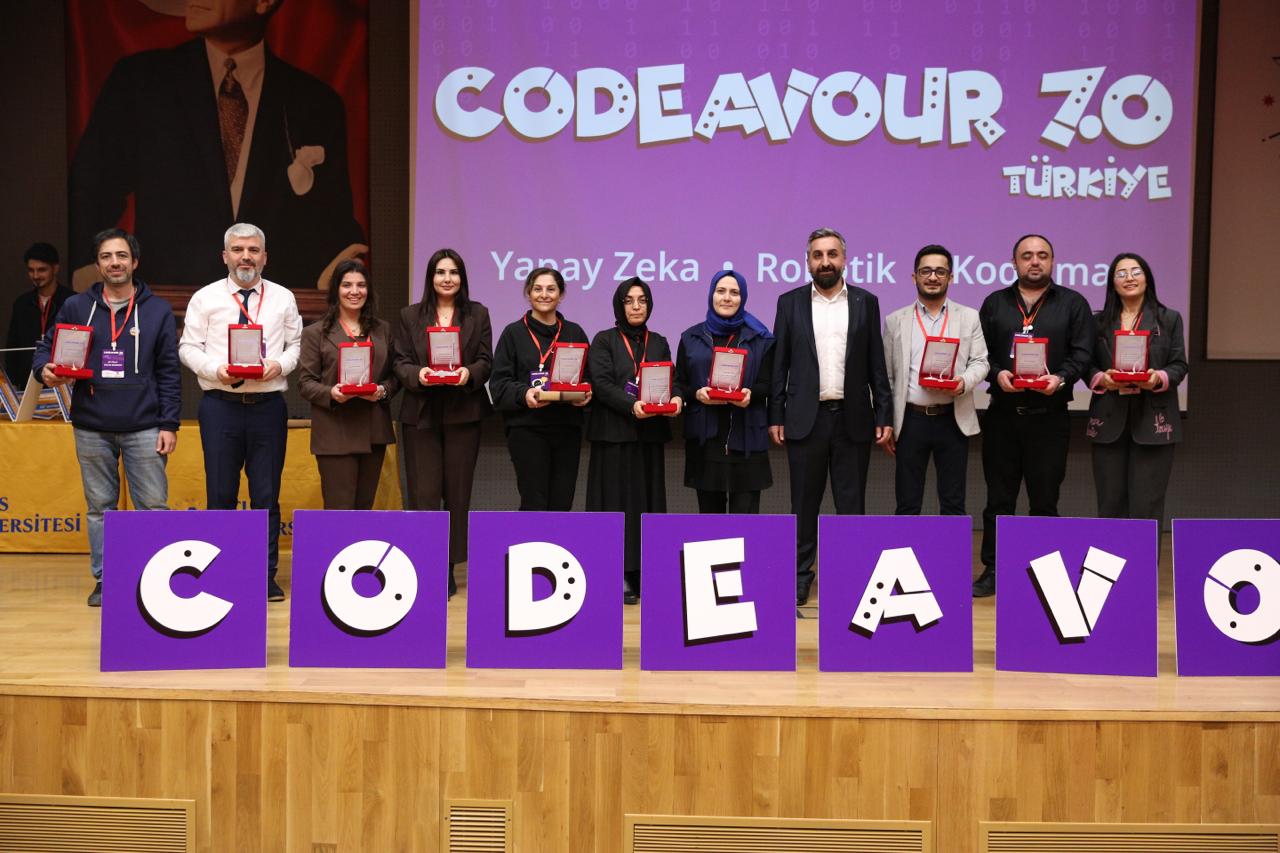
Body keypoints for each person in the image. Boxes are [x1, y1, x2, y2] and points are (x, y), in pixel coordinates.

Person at [69, 0, 364, 290]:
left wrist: (339, 267)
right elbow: (92, 187)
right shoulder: (141, 81)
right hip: (166, 301)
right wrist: (90, 265)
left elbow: (331, 219)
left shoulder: (315, 101)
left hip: (273, 304)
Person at [31, 229, 180, 607]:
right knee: (100, 509)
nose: (115, 263)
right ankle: (105, 578)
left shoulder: (158, 310)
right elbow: (46, 348)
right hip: (92, 425)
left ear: (135, 262)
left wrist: (169, 424)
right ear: (97, 265)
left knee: (153, 508)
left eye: (122, 256)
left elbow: (169, 372)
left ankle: (156, 579)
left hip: (145, 426)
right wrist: (44, 369)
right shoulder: (76, 307)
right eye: (106, 257)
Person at [179, 223, 303, 602]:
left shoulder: (283, 298)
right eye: (237, 250)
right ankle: (221, 573)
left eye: (253, 250)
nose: (245, 257)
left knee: (266, 496)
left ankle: (265, 576)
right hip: (221, 408)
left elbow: (296, 345)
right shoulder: (205, 298)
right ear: (225, 256)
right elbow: (188, 347)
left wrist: (279, 366)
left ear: (265, 257)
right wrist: (215, 370)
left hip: (268, 408)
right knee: (220, 495)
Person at [770, 228, 893, 606]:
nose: (825, 262)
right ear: (808, 261)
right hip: (805, 419)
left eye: (832, 254)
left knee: (851, 506)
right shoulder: (789, 303)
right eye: (818, 255)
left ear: (844, 259)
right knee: (803, 504)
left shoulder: (865, 302)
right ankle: (799, 575)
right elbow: (779, 365)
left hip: (852, 419)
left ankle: (849, 576)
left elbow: (876, 363)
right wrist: (776, 414)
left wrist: (884, 413)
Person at [973, 234, 1095, 598]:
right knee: (999, 499)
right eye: (1027, 256)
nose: (1035, 261)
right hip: (1003, 416)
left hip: (1049, 416)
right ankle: (994, 569)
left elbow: (1082, 353)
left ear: (1053, 261)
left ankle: (1044, 575)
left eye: (1042, 255)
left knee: (1044, 499)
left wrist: (1060, 379)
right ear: (1015, 263)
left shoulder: (1073, 303)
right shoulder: (995, 303)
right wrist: (997, 374)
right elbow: (980, 353)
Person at [392, 248, 492, 598]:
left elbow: (486, 360)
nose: (447, 279)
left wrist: (469, 373)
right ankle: (426, 561)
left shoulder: (478, 313)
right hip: (421, 413)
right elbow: (400, 361)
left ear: (462, 278)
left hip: (464, 412)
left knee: (457, 493)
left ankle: (448, 566)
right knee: (424, 493)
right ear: (430, 277)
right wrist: (418, 374)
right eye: (440, 272)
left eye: (453, 272)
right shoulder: (410, 315)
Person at [585, 277, 681, 605]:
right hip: (614, 435)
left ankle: (646, 569)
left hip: (649, 436)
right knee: (615, 504)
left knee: (647, 504)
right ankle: (619, 571)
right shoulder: (604, 340)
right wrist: (632, 405)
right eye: (629, 300)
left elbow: (672, 379)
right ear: (619, 305)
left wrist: (677, 397)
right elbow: (601, 383)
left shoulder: (659, 341)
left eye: (642, 300)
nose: (636, 306)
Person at [881, 245, 989, 515]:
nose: (932, 277)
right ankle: (906, 544)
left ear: (951, 277)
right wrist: (888, 421)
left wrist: (962, 382)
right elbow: (888, 376)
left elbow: (981, 362)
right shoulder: (895, 320)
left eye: (940, 271)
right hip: (910, 421)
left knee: (953, 503)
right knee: (907, 503)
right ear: (914, 277)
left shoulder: (969, 317)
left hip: (952, 418)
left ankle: (950, 546)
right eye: (925, 271)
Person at [1085, 252, 1187, 523]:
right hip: (1109, 419)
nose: (1129, 278)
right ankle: (1110, 554)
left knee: (1146, 506)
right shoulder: (1098, 323)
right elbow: (1086, 365)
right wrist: (1102, 379)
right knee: (1110, 505)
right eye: (1121, 274)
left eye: (1136, 272)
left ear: (1147, 278)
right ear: (1112, 283)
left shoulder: (1169, 319)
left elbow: (1179, 364)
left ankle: (1144, 555)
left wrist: (1157, 378)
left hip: (1154, 419)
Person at [298, 259, 398, 511]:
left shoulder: (383, 330)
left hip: (373, 431)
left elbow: (395, 375)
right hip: (335, 432)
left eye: (361, 285)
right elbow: (306, 383)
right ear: (336, 290)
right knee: (339, 512)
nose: (355, 291)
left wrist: (382, 390)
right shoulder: (315, 333)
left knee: (364, 510)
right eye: (347, 285)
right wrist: (331, 393)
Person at [489, 267, 591, 512]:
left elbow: (588, 377)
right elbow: (498, 384)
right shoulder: (513, 333)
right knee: (534, 501)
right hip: (527, 429)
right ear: (528, 293)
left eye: (551, 289)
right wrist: (524, 394)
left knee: (562, 502)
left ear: (561, 295)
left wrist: (586, 393)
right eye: (537, 289)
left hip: (566, 428)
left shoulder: (574, 332)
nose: (544, 294)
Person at [675, 269, 774, 515]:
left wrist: (751, 394)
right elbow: (680, 384)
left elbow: (769, 383)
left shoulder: (760, 339)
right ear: (711, 295)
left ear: (743, 298)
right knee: (710, 523)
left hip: (747, 438)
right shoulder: (690, 337)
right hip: (705, 441)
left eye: (734, 292)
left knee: (746, 524)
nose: (727, 298)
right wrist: (697, 394)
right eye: (721, 291)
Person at [5, 243, 74, 385]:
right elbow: (12, 348)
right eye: (31, 270)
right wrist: (12, 383)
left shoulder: (72, 301)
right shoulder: (21, 304)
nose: (36, 276)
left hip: (62, 380)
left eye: (42, 270)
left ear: (55, 268)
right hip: (26, 382)